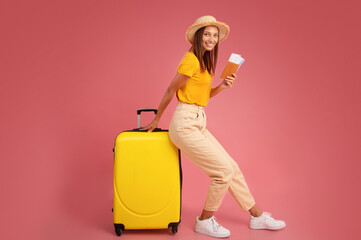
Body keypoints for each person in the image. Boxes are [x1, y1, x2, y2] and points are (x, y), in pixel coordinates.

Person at [141, 15, 286, 238]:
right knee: (222, 172)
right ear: (199, 37)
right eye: (207, 34)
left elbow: (202, 96)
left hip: (198, 120)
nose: (212, 38)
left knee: (232, 167)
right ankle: (205, 221)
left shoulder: (205, 61)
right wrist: (156, 119)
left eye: (215, 35)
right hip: (185, 124)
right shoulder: (191, 60)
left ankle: (257, 216)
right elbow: (171, 90)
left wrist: (222, 87)